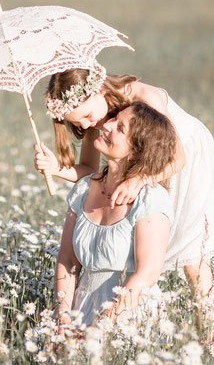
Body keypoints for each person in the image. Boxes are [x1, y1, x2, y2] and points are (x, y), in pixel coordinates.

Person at [37, 62, 214, 325]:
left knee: (191, 255)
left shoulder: (143, 98)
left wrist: (140, 180)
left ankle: (210, 333)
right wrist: (56, 168)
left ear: (96, 89)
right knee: (136, 243)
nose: (90, 124)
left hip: (180, 156)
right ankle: (129, 310)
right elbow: (88, 168)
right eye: (80, 123)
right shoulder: (99, 120)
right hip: (135, 160)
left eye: (87, 116)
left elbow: (175, 159)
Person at [54, 102, 176, 328]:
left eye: (120, 128)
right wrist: (62, 318)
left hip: (127, 317)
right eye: (114, 118)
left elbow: (147, 275)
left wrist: (102, 326)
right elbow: (68, 260)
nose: (107, 124)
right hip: (80, 311)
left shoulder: (150, 198)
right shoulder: (83, 189)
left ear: (137, 151)